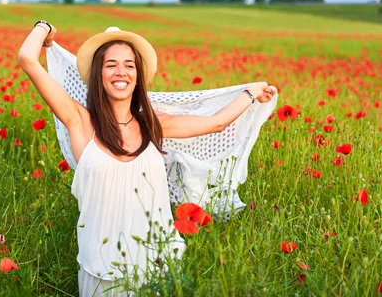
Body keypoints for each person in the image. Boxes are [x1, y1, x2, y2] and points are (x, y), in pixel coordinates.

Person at [18, 22, 277, 296]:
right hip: (102, 271)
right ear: (98, 74)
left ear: (138, 77)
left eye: (130, 65)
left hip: (157, 264)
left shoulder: (153, 124)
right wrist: (44, 29)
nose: (121, 72)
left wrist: (252, 92)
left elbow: (216, 123)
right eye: (111, 65)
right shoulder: (80, 121)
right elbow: (27, 59)